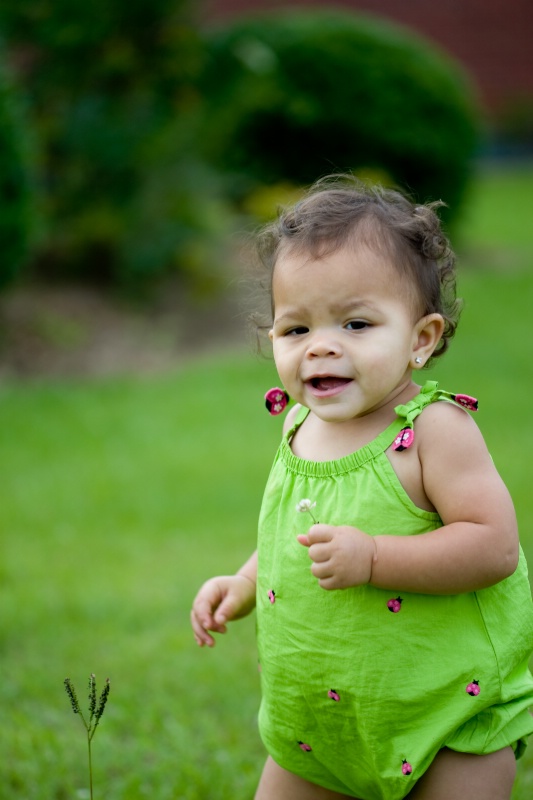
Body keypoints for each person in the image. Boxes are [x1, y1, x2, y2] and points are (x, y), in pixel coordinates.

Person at [191, 176, 533, 800]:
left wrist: (374, 558)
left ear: (420, 339)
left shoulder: (435, 431)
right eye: (296, 331)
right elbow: (298, 535)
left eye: (354, 323)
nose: (321, 347)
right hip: (319, 731)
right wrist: (244, 581)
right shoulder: (300, 424)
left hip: (445, 723)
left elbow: (494, 547)